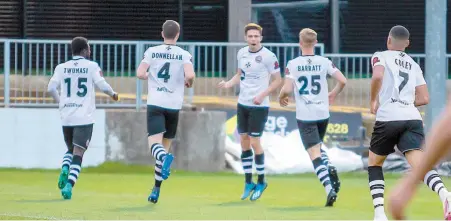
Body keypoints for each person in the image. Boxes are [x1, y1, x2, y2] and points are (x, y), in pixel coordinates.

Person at [368, 25, 450, 220]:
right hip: (411, 117)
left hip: (388, 117)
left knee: (375, 162)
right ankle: (445, 194)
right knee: (419, 164)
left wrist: (373, 100)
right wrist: (405, 102)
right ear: (407, 44)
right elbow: (424, 97)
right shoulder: (413, 64)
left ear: (389, 40)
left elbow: (378, 75)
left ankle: (380, 213)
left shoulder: (380, 55)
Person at [278, 28, 347, 207]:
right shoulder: (324, 62)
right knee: (318, 146)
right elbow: (343, 80)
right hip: (323, 114)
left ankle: (328, 188)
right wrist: (333, 93)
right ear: (315, 43)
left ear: (300, 43)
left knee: (313, 153)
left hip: (305, 115)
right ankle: (329, 166)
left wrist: (281, 96)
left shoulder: (293, 64)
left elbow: (286, 89)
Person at [47, 36, 119, 199]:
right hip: (84, 117)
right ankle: (69, 186)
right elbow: (101, 84)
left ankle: (65, 167)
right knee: (79, 153)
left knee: (71, 149)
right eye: (89, 49)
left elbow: (51, 88)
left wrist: (61, 103)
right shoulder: (91, 66)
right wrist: (113, 94)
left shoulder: (61, 67)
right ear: (85, 50)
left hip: (67, 116)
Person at [217, 23, 282, 201]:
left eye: (256, 36)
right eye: (250, 36)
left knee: (255, 142)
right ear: (246, 38)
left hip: (259, 105)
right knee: (244, 142)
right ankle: (248, 182)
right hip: (243, 103)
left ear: (261, 38)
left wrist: (262, 95)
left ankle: (261, 181)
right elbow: (240, 74)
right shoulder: (242, 53)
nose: (253, 39)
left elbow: (278, 80)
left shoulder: (268, 56)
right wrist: (228, 83)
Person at [136, 20, 195, 204]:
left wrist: (146, 75)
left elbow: (139, 73)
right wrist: (189, 82)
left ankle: (164, 158)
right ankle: (156, 190)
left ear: (162, 34)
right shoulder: (184, 54)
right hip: (173, 105)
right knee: (165, 145)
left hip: (156, 103)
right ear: (177, 35)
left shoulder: (151, 52)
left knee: (155, 146)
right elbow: (191, 75)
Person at [388, 101, 451, 220]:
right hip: (411, 118)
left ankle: (444, 194)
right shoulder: (417, 81)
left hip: (400, 120)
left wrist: (409, 184)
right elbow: (424, 97)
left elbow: (448, 125)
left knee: (414, 157)